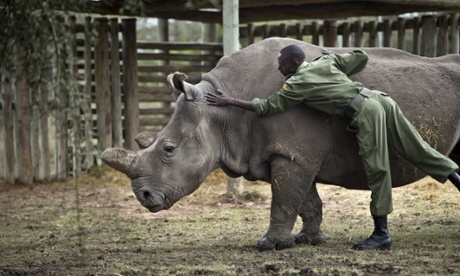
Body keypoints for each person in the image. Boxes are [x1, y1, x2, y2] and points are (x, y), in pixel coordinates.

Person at [204, 44, 460, 250]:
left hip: (366, 113)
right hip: (382, 101)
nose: (279, 69)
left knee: (377, 169)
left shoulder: (296, 84)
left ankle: (382, 235)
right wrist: (332, 54)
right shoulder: (324, 62)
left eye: (282, 65)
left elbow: (267, 106)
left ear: (293, 63)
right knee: (420, 150)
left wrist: (230, 101)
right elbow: (359, 58)